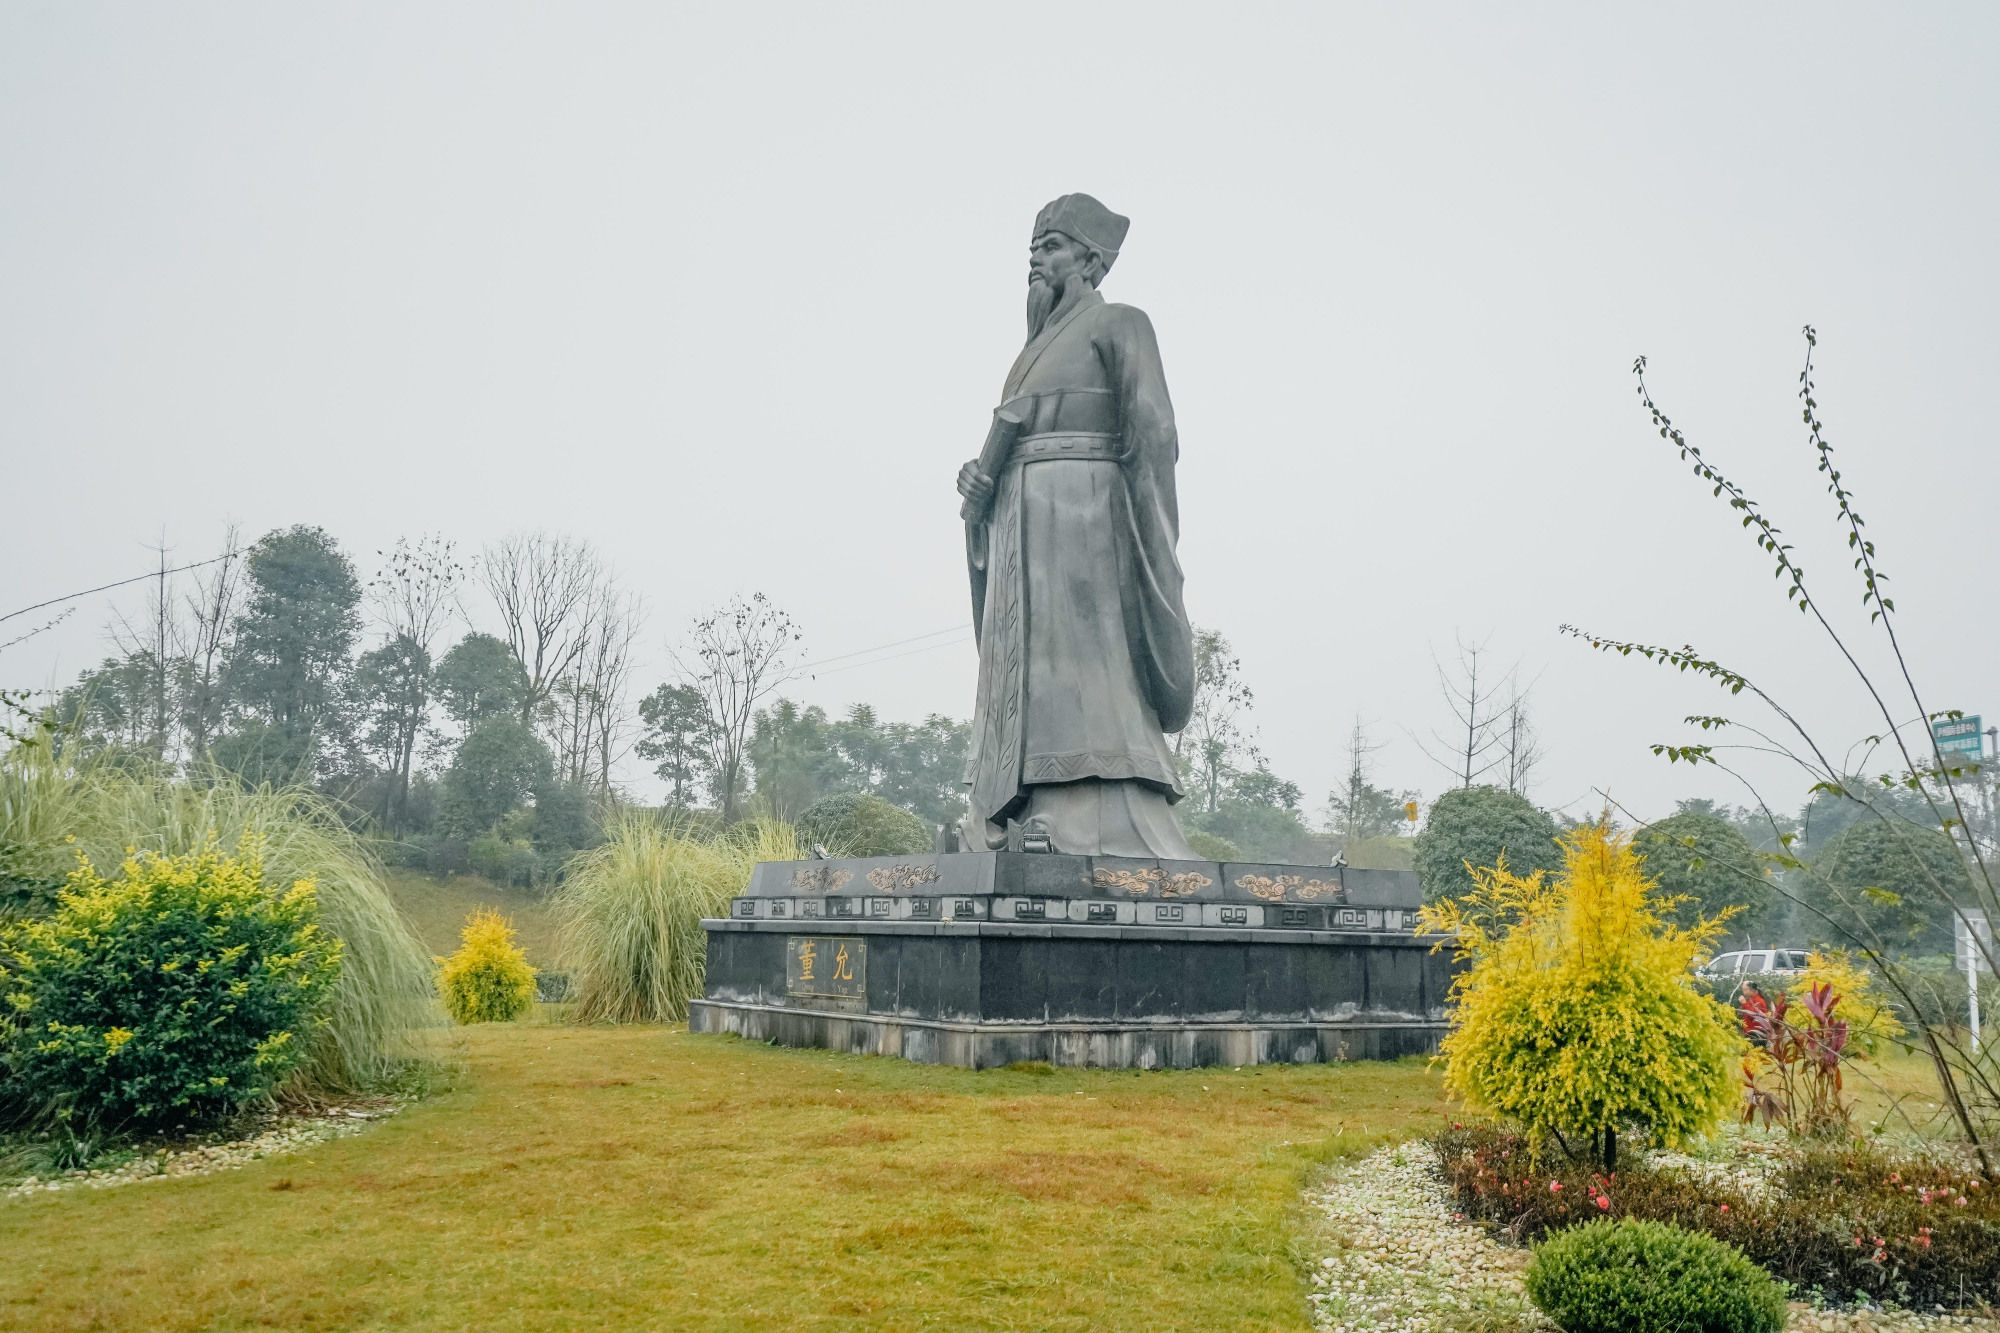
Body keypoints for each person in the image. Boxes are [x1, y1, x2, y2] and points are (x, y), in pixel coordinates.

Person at [955, 193, 1197, 858]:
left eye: (1053, 246)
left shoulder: (1121, 323)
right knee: (1026, 664)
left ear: (1089, 260)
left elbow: (1154, 431)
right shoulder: (1029, 355)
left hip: (1084, 521)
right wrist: (983, 489)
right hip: (1018, 527)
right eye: (1034, 249)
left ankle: (1094, 794)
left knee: (1085, 660)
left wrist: (1143, 529)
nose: (1037, 260)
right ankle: (1010, 803)